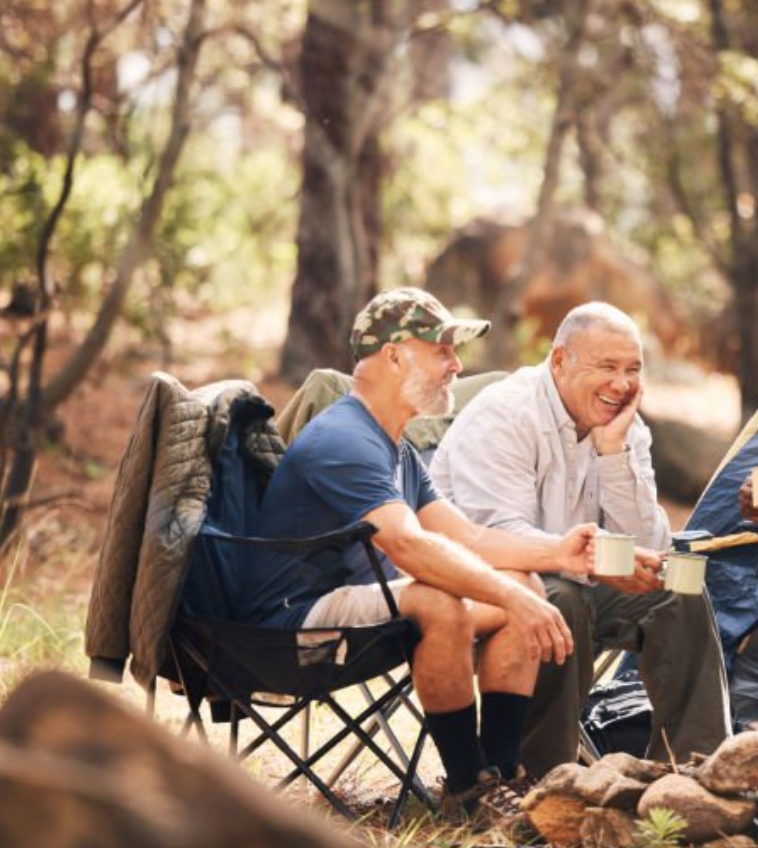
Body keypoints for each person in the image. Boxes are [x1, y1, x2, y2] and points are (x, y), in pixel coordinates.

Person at [238, 288, 597, 822]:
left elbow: (467, 538)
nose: (457, 365)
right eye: (443, 350)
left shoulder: (396, 446)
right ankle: (467, 785)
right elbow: (408, 545)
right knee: (438, 601)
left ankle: (498, 782)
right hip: (294, 626)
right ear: (396, 355)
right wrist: (506, 595)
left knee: (523, 584)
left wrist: (557, 554)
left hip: (360, 612)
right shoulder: (344, 439)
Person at [431, 301, 731, 776]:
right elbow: (494, 535)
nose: (621, 383)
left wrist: (614, 454)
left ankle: (696, 772)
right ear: (559, 361)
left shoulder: (625, 426)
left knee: (676, 590)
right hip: (492, 589)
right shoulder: (506, 416)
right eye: (607, 366)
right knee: (560, 598)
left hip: (580, 580)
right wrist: (592, 560)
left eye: (632, 369)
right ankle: (547, 777)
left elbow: (650, 540)